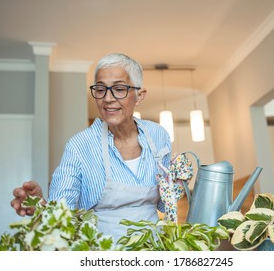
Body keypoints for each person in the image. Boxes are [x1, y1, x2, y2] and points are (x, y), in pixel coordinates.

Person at [11, 53, 172, 241]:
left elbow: (165, 204)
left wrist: (177, 183)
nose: (108, 99)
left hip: (153, 249)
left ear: (139, 95)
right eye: (100, 89)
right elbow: (61, 213)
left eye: (119, 89)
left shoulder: (159, 136)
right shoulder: (79, 146)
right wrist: (41, 206)